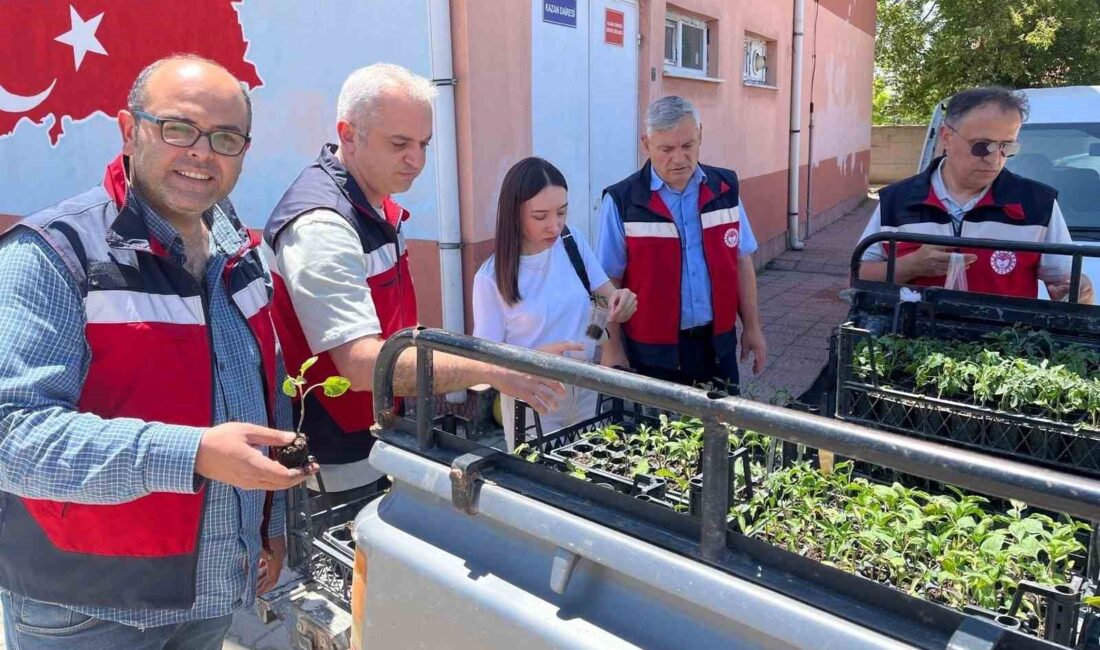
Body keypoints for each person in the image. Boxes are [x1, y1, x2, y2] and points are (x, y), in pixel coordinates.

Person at [0, 55, 312, 649]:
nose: (202, 152)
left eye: (225, 138)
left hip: (213, 590)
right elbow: (10, 436)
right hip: (87, 608)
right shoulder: (54, 255)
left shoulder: (243, 257)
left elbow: (263, 399)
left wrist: (272, 528)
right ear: (127, 129)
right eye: (178, 128)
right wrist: (192, 452)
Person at [265, 64, 565, 492]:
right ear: (348, 134)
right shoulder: (322, 225)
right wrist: (497, 368)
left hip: (376, 430)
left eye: (424, 143)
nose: (418, 160)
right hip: (338, 457)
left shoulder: (373, 201)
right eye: (400, 144)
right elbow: (363, 366)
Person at [858, 86, 1095, 304]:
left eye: (1006, 147)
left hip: (1003, 346)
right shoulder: (897, 200)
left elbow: (1064, 282)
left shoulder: (1038, 204)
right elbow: (859, 274)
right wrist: (909, 266)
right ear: (946, 137)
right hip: (915, 342)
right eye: (982, 146)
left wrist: (1078, 291)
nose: (994, 159)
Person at [597, 95, 767, 392]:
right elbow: (607, 282)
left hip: (717, 346)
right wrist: (611, 349)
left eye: (688, 146)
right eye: (666, 149)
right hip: (650, 352)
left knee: (721, 434)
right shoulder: (623, 201)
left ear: (700, 135)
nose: (679, 158)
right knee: (657, 438)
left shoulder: (724, 189)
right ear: (645, 144)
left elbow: (741, 261)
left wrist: (752, 327)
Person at [473, 157, 638, 449]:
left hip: (587, 384)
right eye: (540, 216)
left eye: (562, 212)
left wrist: (616, 306)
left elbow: (601, 300)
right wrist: (536, 357)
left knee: (592, 477)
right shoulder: (491, 277)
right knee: (543, 487)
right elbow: (484, 365)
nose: (554, 225)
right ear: (514, 214)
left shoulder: (572, 241)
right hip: (535, 395)